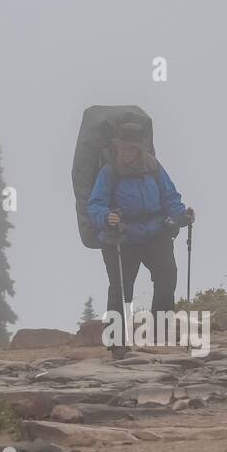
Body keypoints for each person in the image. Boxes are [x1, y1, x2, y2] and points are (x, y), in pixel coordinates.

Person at [87, 121, 195, 349]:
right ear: (117, 146)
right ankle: (116, 342)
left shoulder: (153, 167)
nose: (126, 151)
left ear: (139, 148)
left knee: (167, 277)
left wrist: (181, 215)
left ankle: (160, 331)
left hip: (156, 233)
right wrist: (106, 217)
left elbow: (170, 197)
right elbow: (95, 204)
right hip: (122, 237)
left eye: (131, 147)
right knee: (121, 288)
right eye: (123, 147)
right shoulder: (109, 172)